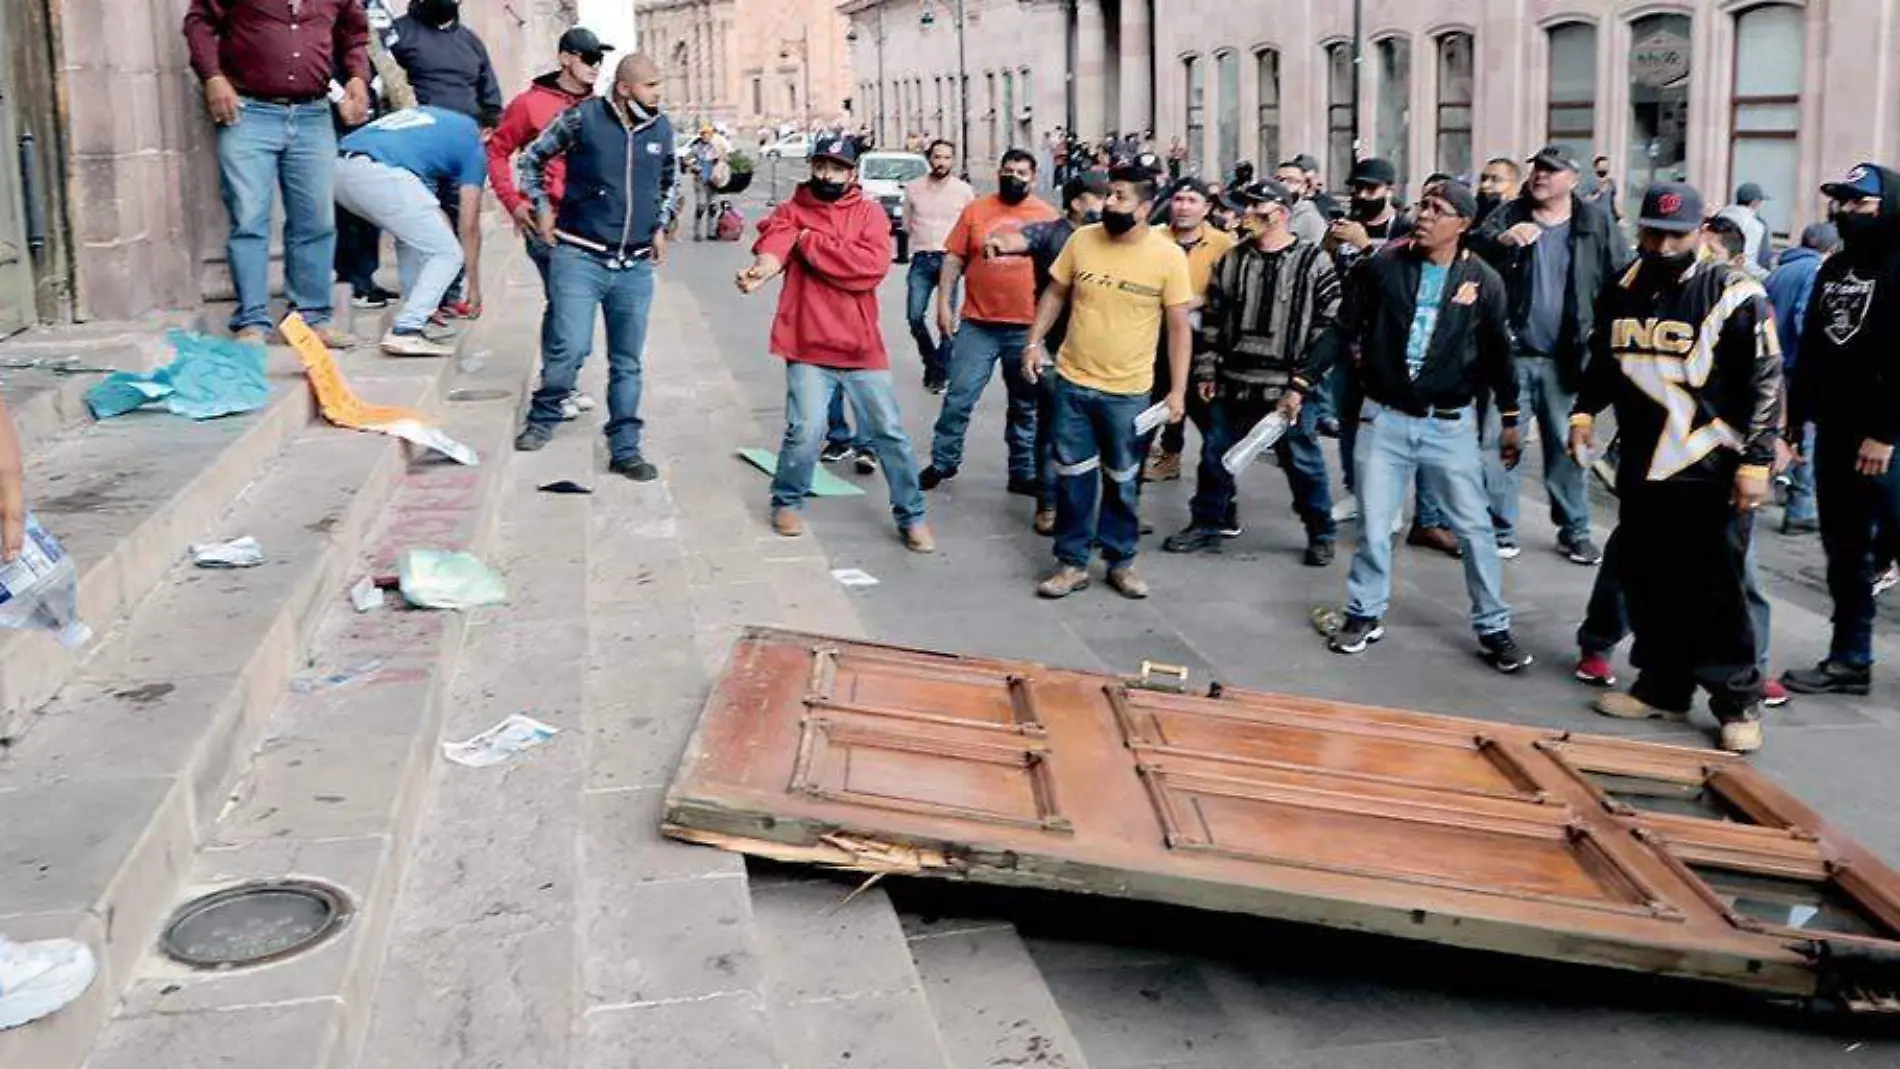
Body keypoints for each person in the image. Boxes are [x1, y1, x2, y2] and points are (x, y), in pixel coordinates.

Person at [1570, 182, 1781, 753]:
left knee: (1718, 589)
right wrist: (1584, 412)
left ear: (1702, 231)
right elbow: (1602, 359)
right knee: (1648, 580)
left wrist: (1757, 460)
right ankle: (1662, 687)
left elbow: (1766, 379)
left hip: (1712, 465)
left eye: (1676, 235)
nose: (1662, 245)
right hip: (1643, 463)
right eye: (1652, 232)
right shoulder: (1622, 286)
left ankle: (1738, 700)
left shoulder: (1735, 291)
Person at [1305, 181, 1530, 672]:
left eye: (1437, 209)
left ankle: (1493, 625)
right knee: (1375, 525)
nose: (1423, 215)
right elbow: (1344, 327)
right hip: (1383, 419)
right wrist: (1303, 379)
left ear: (1464, 223)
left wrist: (1511, 418)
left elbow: (1498, 354)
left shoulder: (1483, 280)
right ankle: (1365, 612)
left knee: (1474, 529)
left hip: (1450, 427)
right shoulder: (1384, 266)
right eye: (1422, 206)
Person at [736, 136, 935, 554]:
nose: (827, 175)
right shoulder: (793, 210)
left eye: (837, 168)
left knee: (890, 434)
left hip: (860, 346)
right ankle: (786, 501)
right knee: (804, 431)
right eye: (821, 166)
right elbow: (776, 243)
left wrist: (809, 243)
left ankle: (911, 515)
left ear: (851, 172)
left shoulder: (869, 214)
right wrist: (763, 270)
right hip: (807, 342)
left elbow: (870, 268)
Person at [1022, 165, 1192, 599]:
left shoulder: (1168, 255)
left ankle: (1121, 561)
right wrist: (1033, 342)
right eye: (1108, 196)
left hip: (1129, 392)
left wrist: (1177, 391)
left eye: (1119, 197)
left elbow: (1178, 328)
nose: (1108, 204)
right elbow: (1056, 293)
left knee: (1123, 479)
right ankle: (1072, 562)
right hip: (1073, 382)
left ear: (1146, 207)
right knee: (1074, 477)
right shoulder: (1083, 240)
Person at [511, 54, 675, 480]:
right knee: (569, 348)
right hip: (580, 255)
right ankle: (543, 416)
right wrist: (541, 206)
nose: (659, 93)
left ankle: (625, 447)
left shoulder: (661, 129)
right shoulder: (582, 118)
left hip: (634, 265)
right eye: (651, 85)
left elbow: (670, 180)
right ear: (624, 88)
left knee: (627, 362)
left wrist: (661, 223)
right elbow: (531, 159)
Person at [1164, 178, 1341, 564]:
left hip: (1288, 388)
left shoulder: (1314, 261)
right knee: (1215, 454)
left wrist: (1303, 383)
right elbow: (1213, 318)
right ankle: (1207, 523)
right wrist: (1208, 371)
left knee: (1303, 463)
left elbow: (1329, 327)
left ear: (1278, 213)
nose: (1244, 215)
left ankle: (1320, 531)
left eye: (1253, 208)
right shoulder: (1233, 259)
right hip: (1236, 382)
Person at [183, 0, 369, 348]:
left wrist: (358, 76)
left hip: (313, 114)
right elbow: (199, 22)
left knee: (316, 221)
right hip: (248, 112)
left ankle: (311, 319)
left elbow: (354, 32)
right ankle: (252, 321)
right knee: (249, 217)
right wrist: (213, 76)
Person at [1467, 146, 1622, 566]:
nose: (1540, 177)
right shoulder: (1509, 213)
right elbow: (1473, 248)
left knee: (1567, 445)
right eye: (1537, 169)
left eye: (1551, 171)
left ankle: (1574, 530)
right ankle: (1500, 527)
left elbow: (1620, 279)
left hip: (1567, 359)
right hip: (1511, 356)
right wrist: (1502, 240)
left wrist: (1607, 344)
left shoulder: (1595, 223)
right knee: (1499, 442)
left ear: (1572, 179)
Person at [1781, 163, 1900, 697]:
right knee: (1845, 552)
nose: (1847, 212)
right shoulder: (1833, 269)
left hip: (1888, 441)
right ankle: (1850, 659)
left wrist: (1886, 431)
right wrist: (1791, 424)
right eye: (1842, 203)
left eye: (1860, 204)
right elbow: (1813, 348)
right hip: (1835, 433)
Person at [922, 149, 1058, 493]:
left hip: (1026, 327)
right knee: (959, 397)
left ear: (1034, 176)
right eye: (1008, 170)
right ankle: (943, 462)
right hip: (977, 324)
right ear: (999, 171)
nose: (1014, 177)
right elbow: (953, 259)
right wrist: (943, 304)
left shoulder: (1047, 216)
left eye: (1022, 172)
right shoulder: (977, 209)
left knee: (1025, 405)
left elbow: (1060, 278)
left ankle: (1022, 471)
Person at [983, 173, 1110, 536]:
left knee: (1109, 433)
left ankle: (1109, 508)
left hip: (1104, 350)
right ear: (1075, 202)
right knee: (1054, 427)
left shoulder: (1110, 238)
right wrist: (996, 242)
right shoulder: (1051, 233)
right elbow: (1017, 238)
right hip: (1056, 347)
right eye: (1097, 198)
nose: (1104, 205)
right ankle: (1049, 503)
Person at [331, 105, 484, 356]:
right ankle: (407, 329)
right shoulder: (473, 141)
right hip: (378, 173)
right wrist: (474, 288)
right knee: (448, 253)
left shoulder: (429, 121)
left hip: (337, 168)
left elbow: (428, 217)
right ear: (487, 132)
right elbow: (468, 224)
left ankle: (417, 313)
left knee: (414, 237)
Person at [385, 0, 503, 317]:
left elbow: (489, 91)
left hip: (461, 146)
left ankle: (450, 295)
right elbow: (383, 82)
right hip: (416, 146)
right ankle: (423, 301)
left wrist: (488, 122)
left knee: (459, 221)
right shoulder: (399, 33)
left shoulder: (470, 41)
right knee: (421, 223)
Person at [1141, 177, 1237, 483]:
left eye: (1192, 200)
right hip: (1155, 337)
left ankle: (1218, 497)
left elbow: (1235, 290)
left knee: (1207, 414)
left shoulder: (1224, 244)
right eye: (1178, 199)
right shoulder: (1152, 238)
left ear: (1207, 208)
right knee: (1153, 402)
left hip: (1204, 340)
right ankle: (1164, 456)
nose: (1183, 207)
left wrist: (1200, 299)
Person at [1764, 221, 1840, 534]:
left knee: (1775, 431)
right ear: (1830, 248)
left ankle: (1773, 485)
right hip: (1795, 368)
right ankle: (1800, 507)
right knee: (1804, 439)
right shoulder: (1814, 272)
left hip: (1772, 364)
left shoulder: (1781, 269)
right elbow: (1804, 320)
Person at [902, 141, 975, 394]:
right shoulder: (913, 189)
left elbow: (970, 227)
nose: (941, 162)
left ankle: (939, 373)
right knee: (914, 316)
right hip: (922, 258)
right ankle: (931, 361)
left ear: (953, 160)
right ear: (929, 158)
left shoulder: (964, 191)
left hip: (950, 260)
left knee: (947, 321)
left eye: (946, 158)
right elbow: (907, 224)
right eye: (937, 157)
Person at [1716, 182, 1774, 280]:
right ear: (1754, 202)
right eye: (1760, 201)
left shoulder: (1720, 215)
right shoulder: (1755, 225)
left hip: (1713, 274)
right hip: (1737, 279)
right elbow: (1749, 261)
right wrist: (1770, 278)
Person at [1273, 160, 1328, 245]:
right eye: (1278, 180)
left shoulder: (1308, 218)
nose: (1283, 184)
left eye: (1290, 180)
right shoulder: (1272, 210)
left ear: (1303, 187)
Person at [1475, 157, 1521, 225]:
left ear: (1514, 184)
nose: (1485, 185)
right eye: (1483, 179)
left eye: (1495, 179)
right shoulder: (1475, 209)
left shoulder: (1521, 215)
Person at [1584, 155, 1622, 225]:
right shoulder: (1589, 181)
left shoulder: (1611, 182)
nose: (1604, 168)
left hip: (1609, 220)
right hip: (1595, 220)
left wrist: (1618, 217)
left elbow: (1613, 201)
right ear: (1595, 168)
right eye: (1602, 166)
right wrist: (1599, 193)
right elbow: (1586, 201)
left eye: (1606, 166)